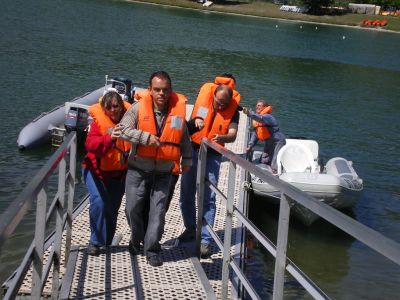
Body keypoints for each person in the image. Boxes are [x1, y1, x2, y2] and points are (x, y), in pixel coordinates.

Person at [119, 71, 192, 267]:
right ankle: (136, 240)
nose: (162, 94)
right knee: (132, 208)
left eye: (165, 90)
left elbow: (183, 137)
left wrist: (188, 159)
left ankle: (152, 249)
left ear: (171, 90)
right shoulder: (136, 109)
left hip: (164, 172)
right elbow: (122, 131)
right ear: (150, 90)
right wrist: (144, 138)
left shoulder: (177, 113)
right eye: (157, 90)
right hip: (137, 169)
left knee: (158, 213)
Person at [179, 74, 241, 258]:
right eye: (218, 102)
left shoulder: (233, 111)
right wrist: (194, 122)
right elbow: (187, 128)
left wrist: (223, 138)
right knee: (186, 194)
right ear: (213, 95)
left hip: (213, 155)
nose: (221, 106)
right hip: (193, 149)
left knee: (208, 197)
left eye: (225, 104)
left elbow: (233, 134)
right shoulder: (203, 101)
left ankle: (205, 240)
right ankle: (191, 228)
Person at [82, 91, 131, 256]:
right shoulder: (97, 123)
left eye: (116, 106)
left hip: (118, 174)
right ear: (103, 108)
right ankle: (95, 242)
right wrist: (109, 138)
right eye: (108, 107)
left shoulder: (130, 120)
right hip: (95, 171)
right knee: (99, 203)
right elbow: (90, 145)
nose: (112, 110)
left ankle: (106, 241)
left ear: (122, 106)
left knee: (112, 209)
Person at [243, 100, 286, 172]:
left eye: (259, 105)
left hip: (278, 142)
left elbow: (260, 118)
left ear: (265, 107)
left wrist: (249, 113)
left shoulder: (268, 117)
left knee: (274, 162)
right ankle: (267, 169)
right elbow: (255, 134)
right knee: (263, 160)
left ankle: (276, 174)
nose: (257, 106)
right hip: (269, 143)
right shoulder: (257, 121)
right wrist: (250, 146)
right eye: (256, 105)